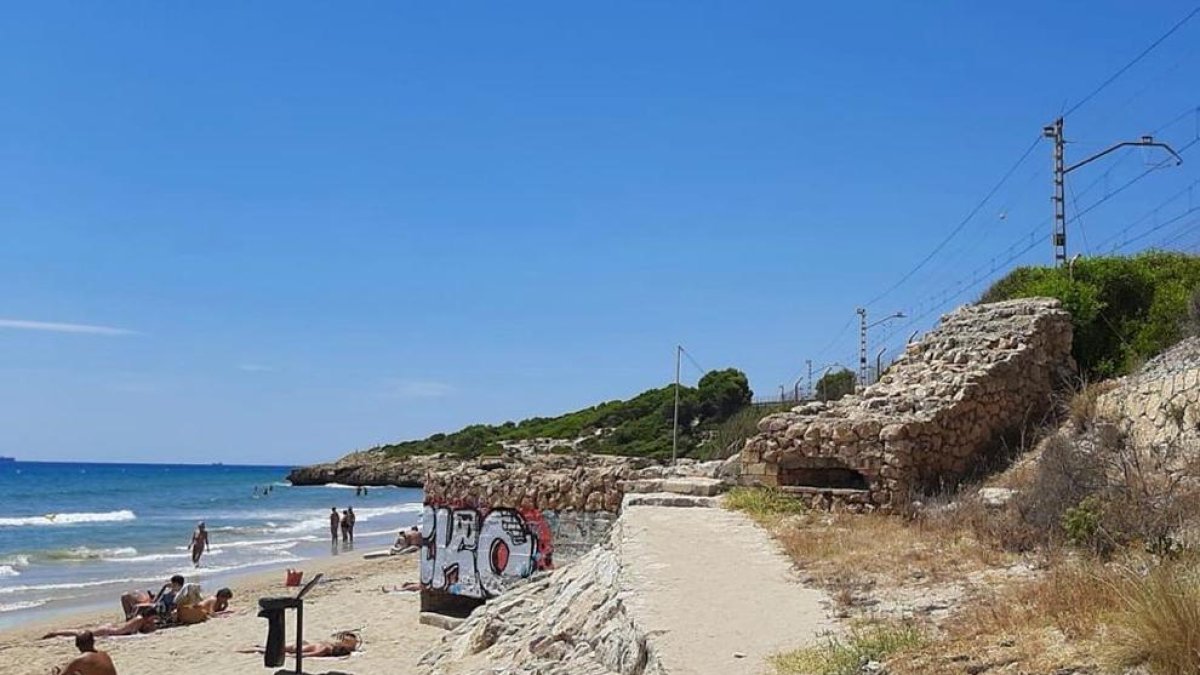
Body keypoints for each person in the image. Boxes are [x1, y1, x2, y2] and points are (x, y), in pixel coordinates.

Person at [44, 608, 157, 640]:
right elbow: (134, 632)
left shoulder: (141, 619)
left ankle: (55, 633)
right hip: (109, 631)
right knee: (81, 633)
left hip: (111, 629)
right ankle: (55, 633)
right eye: (153, 617)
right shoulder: (140, 620)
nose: (154, 619)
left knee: (83, 632)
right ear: (149, 616)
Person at [240, 632, 360, 658]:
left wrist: (288, 656)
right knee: (267, 648)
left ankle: (250, 649)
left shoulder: (325, 648)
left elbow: (305, 655)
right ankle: (254, 648)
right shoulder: (327, 648)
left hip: (299, 647)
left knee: (267, 649)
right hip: (301, 646)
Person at [49, 631, 118, 675]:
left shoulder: (80, 660)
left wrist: (55, 673)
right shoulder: (104, 654)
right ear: (93, 642)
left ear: (77, 645)